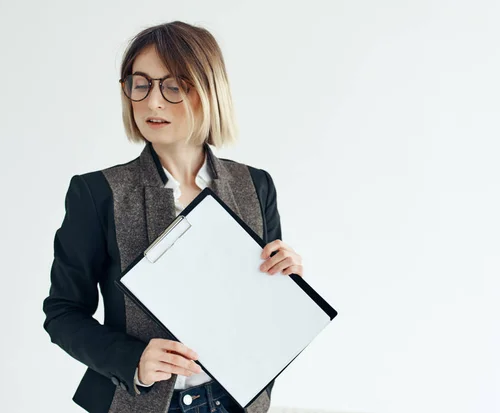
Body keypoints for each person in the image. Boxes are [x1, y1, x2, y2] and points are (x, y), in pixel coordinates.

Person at [42, 21, 304, 413]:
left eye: (174, 86)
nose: (152, 102)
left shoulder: (255, 185)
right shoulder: (97, 193)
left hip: (236, 403)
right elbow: (62, 313)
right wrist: (134, 362)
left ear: (209, 91)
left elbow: (265, 312)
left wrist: (289, 281)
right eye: (140, 84)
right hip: (142, 404)